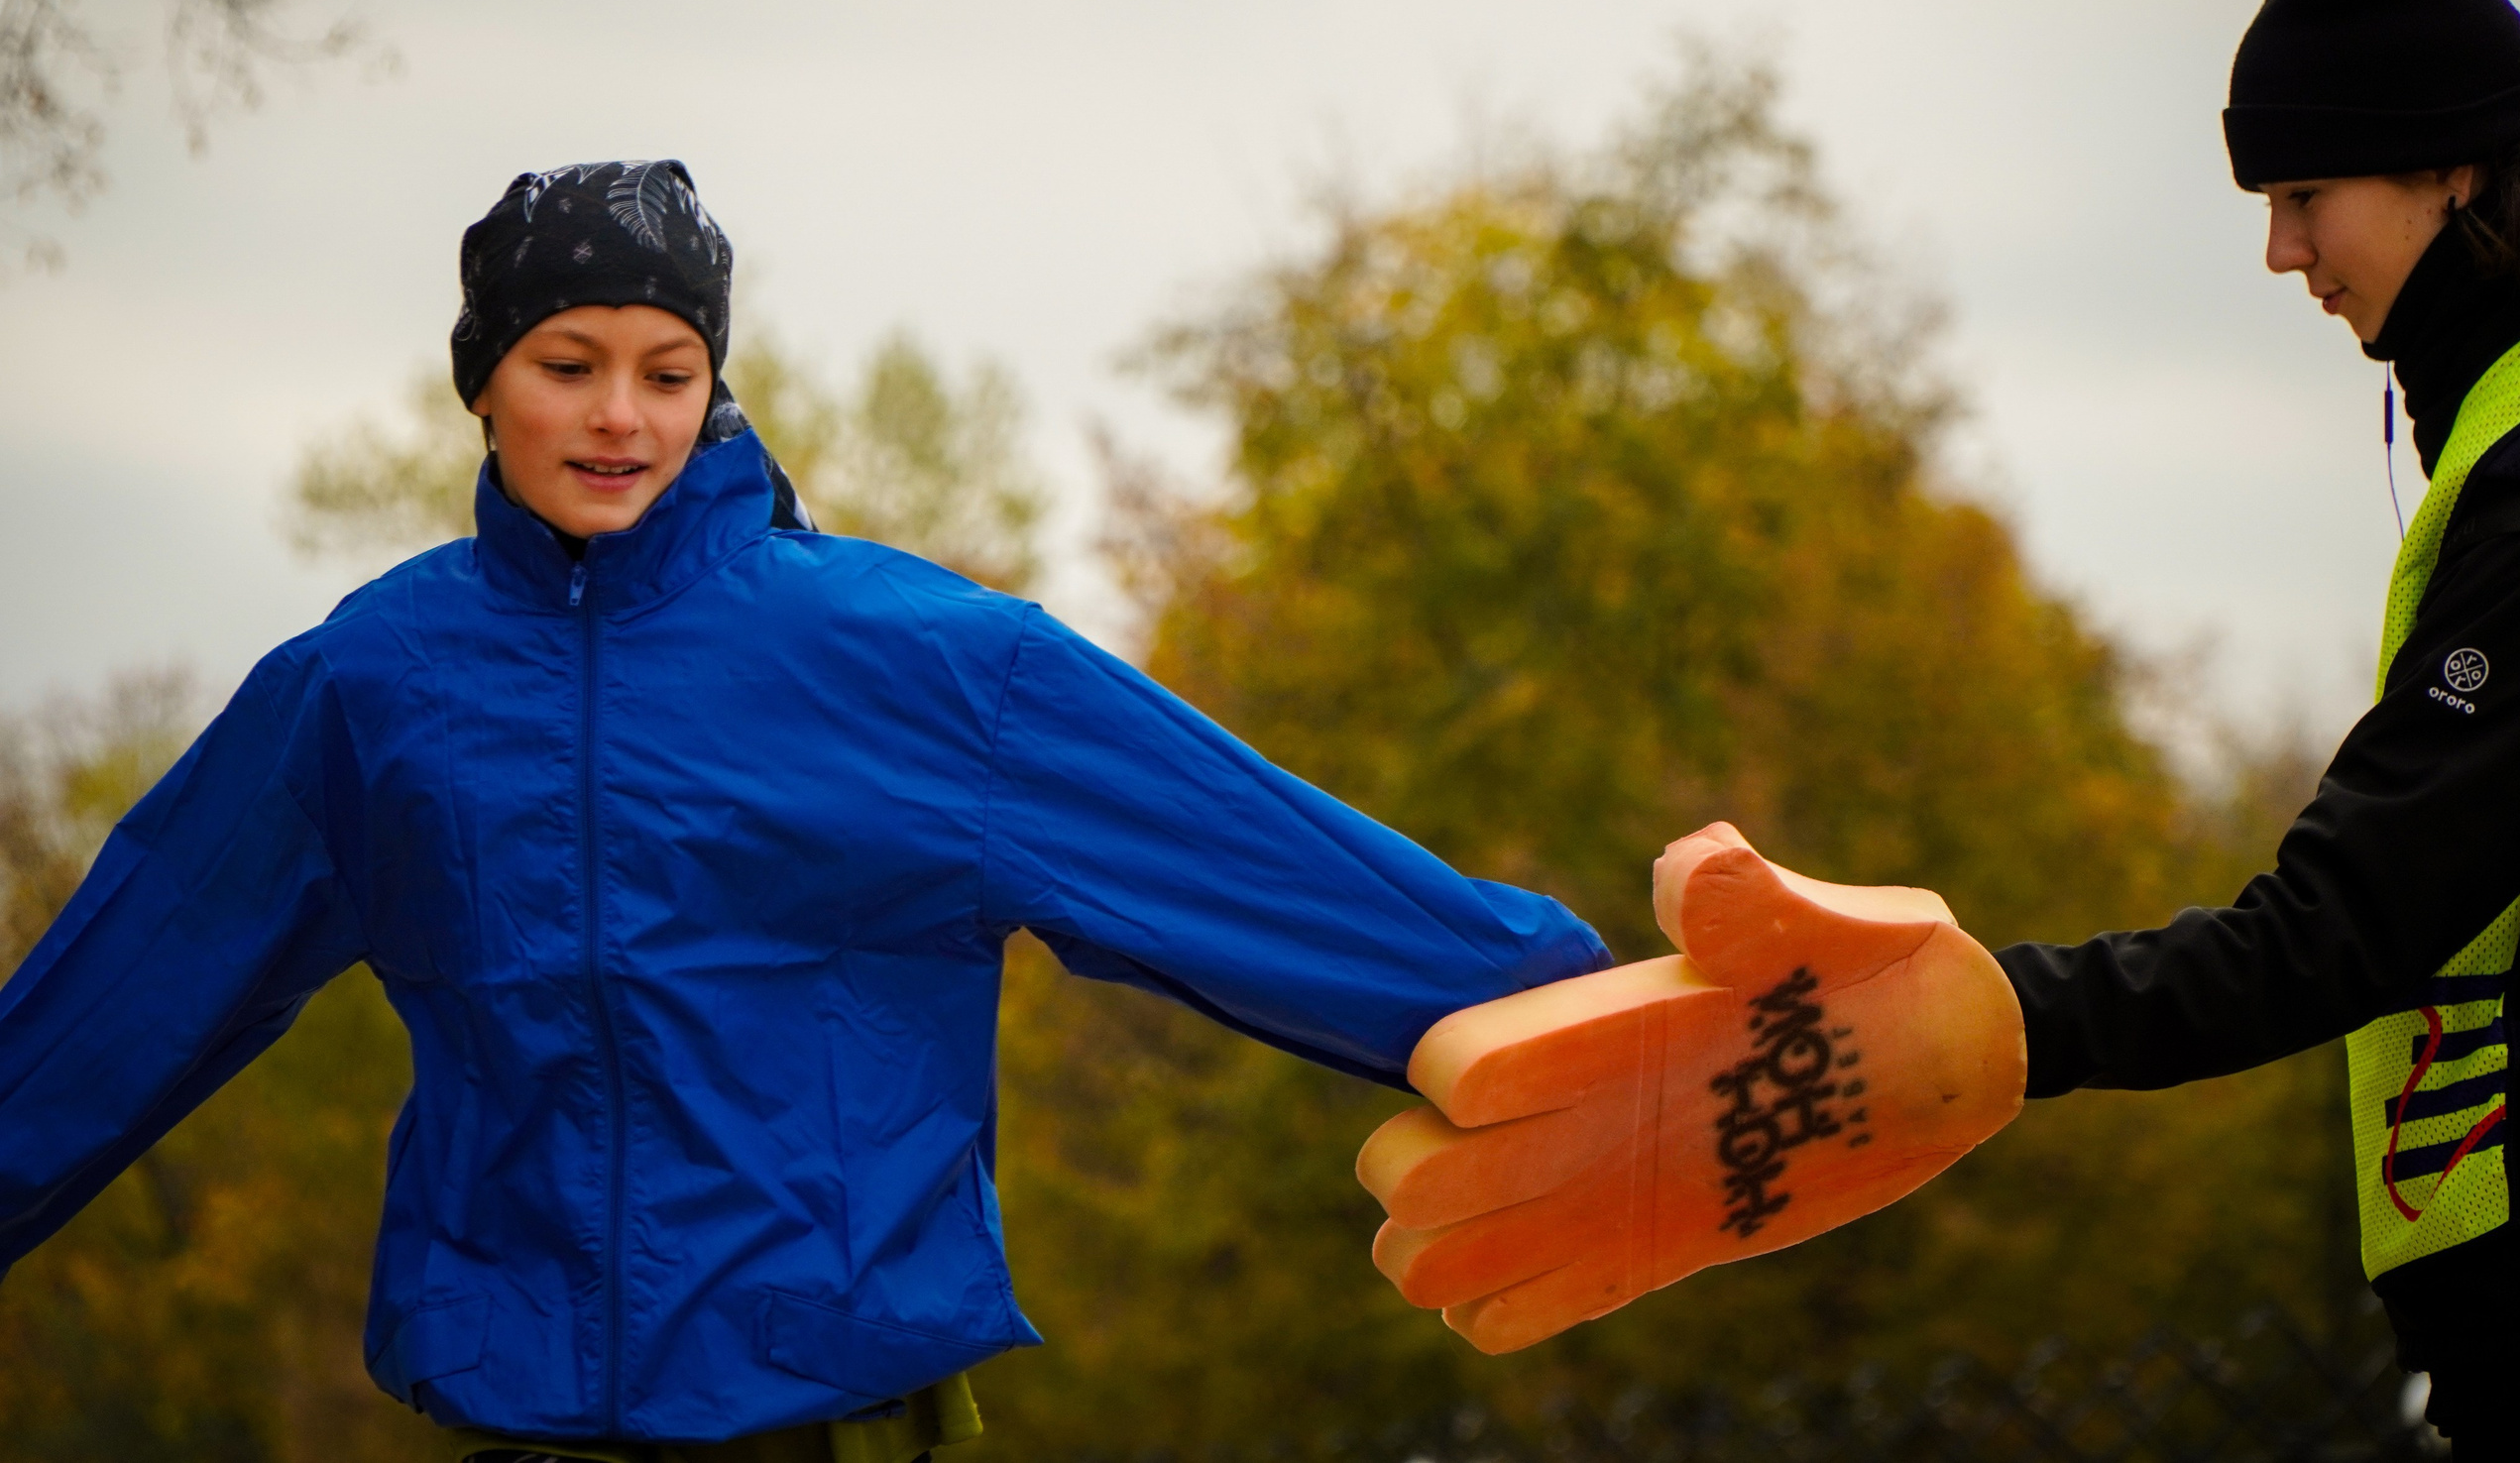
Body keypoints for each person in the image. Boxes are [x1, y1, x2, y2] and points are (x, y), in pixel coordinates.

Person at [0, 160, 1612, 1463]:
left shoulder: (911, 661)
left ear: (716, 386)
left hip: (830, 1418)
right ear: (482, 385)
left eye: (668, 370)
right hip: (520, 1425)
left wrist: (1570, 1004)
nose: (621, 415)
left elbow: (1241, 859)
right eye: (568, 365)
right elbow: (135, 991)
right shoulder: (372, 684)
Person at [1994, 0, 2520, 1455]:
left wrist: (1991, 1020)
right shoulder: (2495, 435)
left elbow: (2341, 919)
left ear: (2453, 169)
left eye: (2307, 195)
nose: (2281, 253)